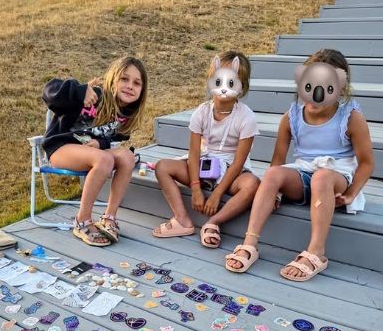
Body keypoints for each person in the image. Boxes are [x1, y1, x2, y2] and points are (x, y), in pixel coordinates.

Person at [225, 48, 375, 281]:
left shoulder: (351, 117)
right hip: (303, 174)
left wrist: (352, 193)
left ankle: (316, 251)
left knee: (322, 177)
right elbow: (278, 160)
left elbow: (366, 163)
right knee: (273, 173)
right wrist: (273, 192)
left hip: (335, 176)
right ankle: (250, 242)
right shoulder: (292, 115)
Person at [152, 51, 260, 247]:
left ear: (242, 86)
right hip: (204, 164)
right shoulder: (202, 111)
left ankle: (213, 223)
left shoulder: (246, 117)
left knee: (252, 184)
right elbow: (194, 152)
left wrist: (218, 194)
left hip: (232, 171)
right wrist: (195, 188)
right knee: (162, 166)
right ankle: (182, 219)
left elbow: (239, 162)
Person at [42, 56, 147, 246]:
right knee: (104, 160)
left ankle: (109, 218)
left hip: (91, 153)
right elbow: (50, 91)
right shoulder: (93, 95)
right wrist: (79, 91)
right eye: (124, 79)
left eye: (136, 83)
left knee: (127, 156)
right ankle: (82, 220)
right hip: (61, 148)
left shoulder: (126, 115)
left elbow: (112, 139)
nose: (130, 85)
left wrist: (101, 143)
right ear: (113, 79)